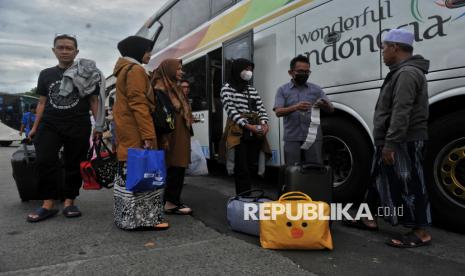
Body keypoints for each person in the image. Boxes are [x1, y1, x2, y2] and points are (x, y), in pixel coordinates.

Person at [345, 29, 432, 248]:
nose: (382, 52)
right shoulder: (400, 72)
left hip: (404, 140)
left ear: (395, 47)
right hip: (391, 140)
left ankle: (421, 231)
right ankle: (369, 217)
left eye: (384, 47)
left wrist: (391, 144)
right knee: (378, 179)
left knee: (409, 182)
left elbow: (401, 111)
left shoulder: (407, 73)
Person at [26, 34, 105, 222]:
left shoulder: (87, 73)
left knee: (74, 163)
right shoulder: (46, 74)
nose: (64, 51)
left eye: (68, 48)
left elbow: (94, 101)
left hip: (78, 124)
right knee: (45, 160)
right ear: (54, 51)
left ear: (76, 52)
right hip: (49, 124)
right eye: (60, 47)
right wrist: (34, 127)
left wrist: (99, 125)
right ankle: (48, 203)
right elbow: (42, 103)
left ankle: (70, 201)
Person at [112, 36, 168, 230]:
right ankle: (146, 219)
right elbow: (139, 105)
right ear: (138, 51)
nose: (150, 54)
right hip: (136, 131)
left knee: (129, 175)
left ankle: (126, 219)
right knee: (144, 173)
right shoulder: (135, 70)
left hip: (126, 131)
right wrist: (148, 136)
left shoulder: (123, 70)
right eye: (147, 50)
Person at [220, 58, 270, 195]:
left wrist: (264, 123)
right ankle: (243, 197)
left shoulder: (251, 89)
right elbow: (232, 112)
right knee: (241, 167)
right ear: (237, 69)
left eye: (250, 70)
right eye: (246, 69)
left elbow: (260, 108)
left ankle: (248, 195)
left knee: (250, 164)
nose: (249, 72)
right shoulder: (226, 89)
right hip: (238, 131)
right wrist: (248, 126)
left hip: (254, 131)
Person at [273, 55, 333, 166]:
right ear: (290, 72)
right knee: (293, 170)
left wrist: (324, 105)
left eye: (307, 72)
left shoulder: (316, 89)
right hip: (292, 137)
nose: (304, 74)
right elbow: (278, 112)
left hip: (313, 137)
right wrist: (295, 107)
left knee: (315, 169)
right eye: (300, 71)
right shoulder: (282, 90)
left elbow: (331, 109)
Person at [152, 59, 194, 215]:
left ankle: (171, 200)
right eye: (178, 68)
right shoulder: (161, 88)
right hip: (171, 134)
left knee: (178, 165)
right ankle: (171, 202)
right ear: (169, 69)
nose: (181, 72)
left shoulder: (173, 87)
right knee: (175, 165)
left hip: (179, 131)